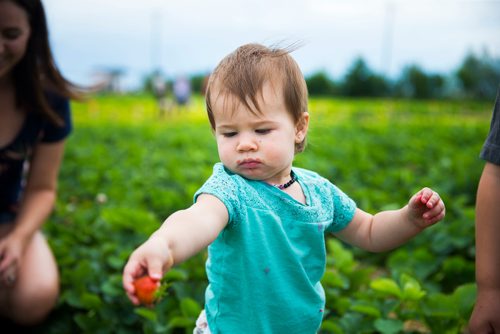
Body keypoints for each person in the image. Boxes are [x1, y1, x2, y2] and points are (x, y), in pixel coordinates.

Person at [122, 43, 446, 333]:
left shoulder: (319, 192)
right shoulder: (230, 189)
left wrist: (409, 219)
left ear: (299, 128)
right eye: (229, 134)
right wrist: (163, 244)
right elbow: (197, 220)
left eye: (262, 130)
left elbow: (371, 230)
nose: (245, 144)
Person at [0, 0, 81, 326]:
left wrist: (18, 239)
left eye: (11, 33)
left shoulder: (47, 99)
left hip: (7, 216)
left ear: (32, 33)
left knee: (34, 297)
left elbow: (43, 188)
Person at [469, 90, 500, 334]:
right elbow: (497, 171)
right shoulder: (322, 191)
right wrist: (491, 289)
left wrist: (408, 217)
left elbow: (369, 228)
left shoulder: (325, 192)